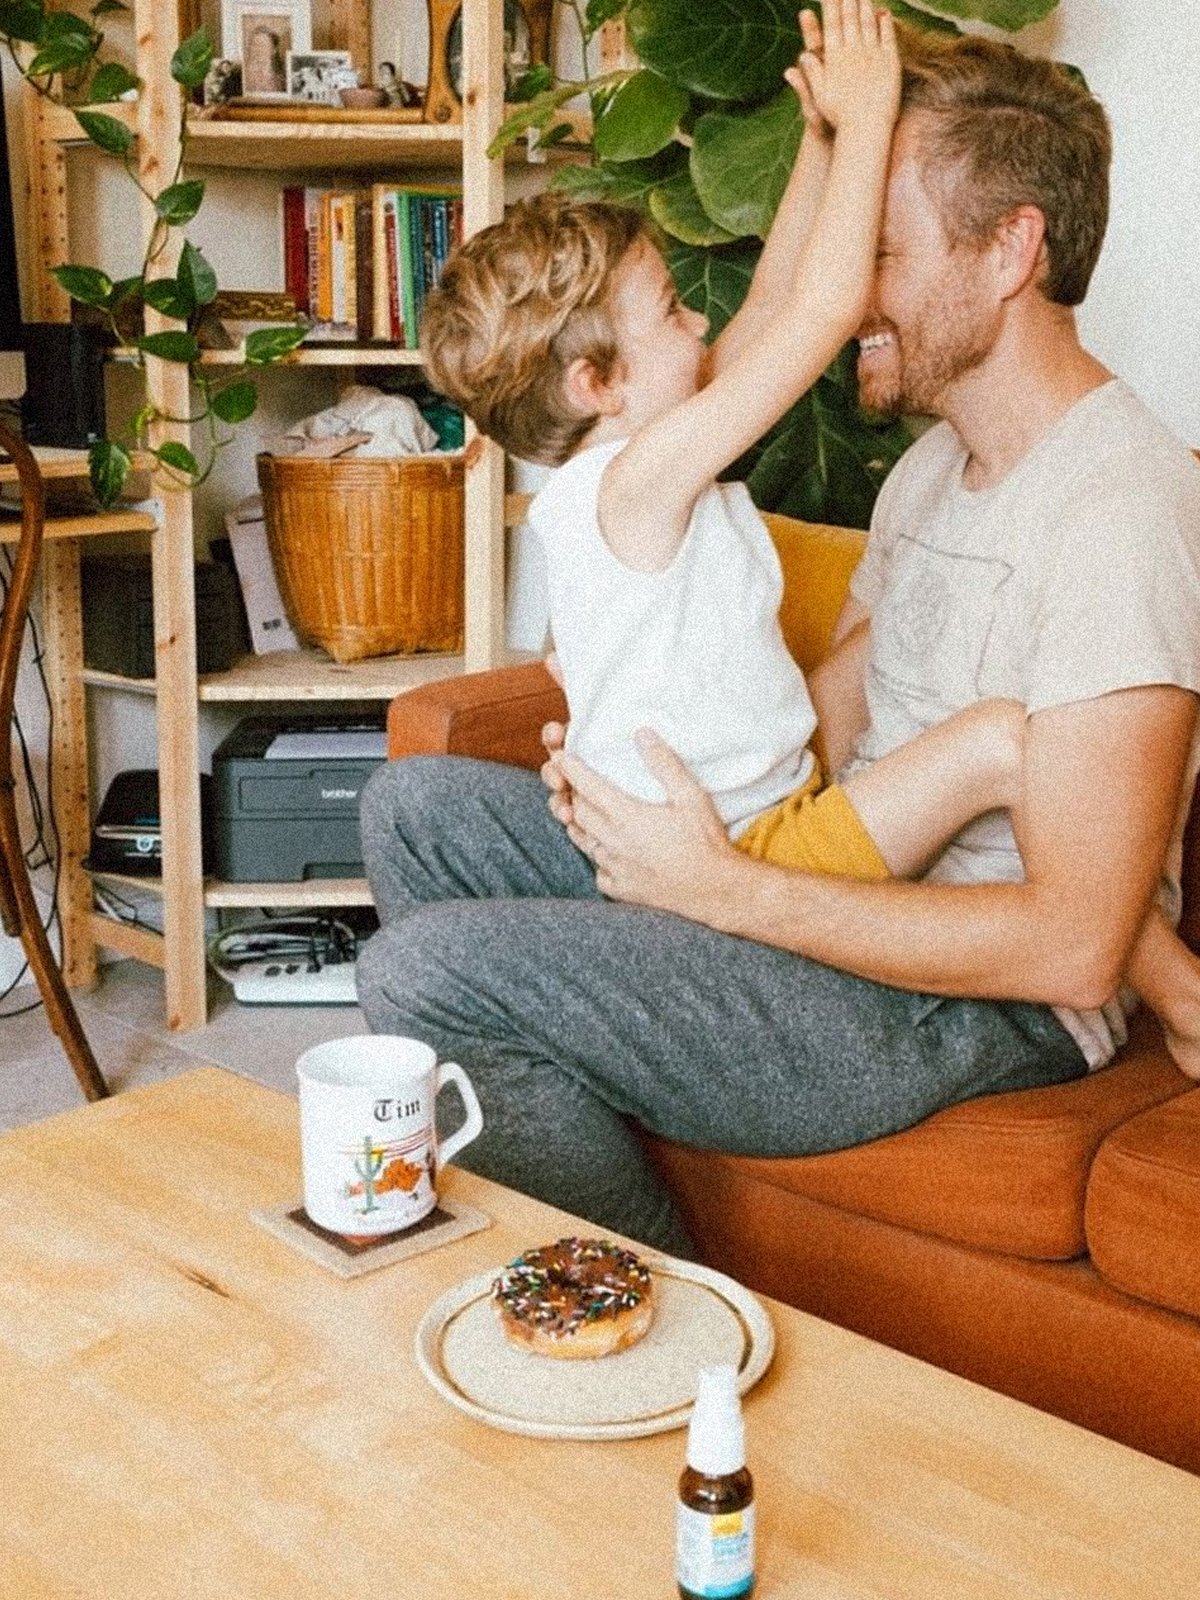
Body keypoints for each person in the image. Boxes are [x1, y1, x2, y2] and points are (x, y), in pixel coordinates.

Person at [357, 11, 1200, 1257]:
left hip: (969, 1007)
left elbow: (1075, 947)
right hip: (825, 880)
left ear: (1010, 250)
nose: (848, 288)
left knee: (424, 977)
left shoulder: (1120, 511)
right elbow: (825, 720)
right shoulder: (927, 477)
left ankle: (670, 1314)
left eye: (884, 249)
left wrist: (724, 887)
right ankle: (556, 1175)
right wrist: (647, 776)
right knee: (415, 808)